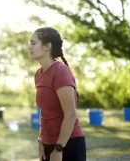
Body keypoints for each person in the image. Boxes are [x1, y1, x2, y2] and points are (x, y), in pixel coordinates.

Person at [27, 27, 86, 161]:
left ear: (47, 46)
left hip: (68, 144)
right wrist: (41, 139)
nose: (28, 46)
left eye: (33, 43)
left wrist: (59, 149)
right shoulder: (38, 74)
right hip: (48, 144)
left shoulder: (60, 72)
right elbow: (45, 112)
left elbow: (70, 115)